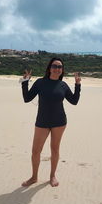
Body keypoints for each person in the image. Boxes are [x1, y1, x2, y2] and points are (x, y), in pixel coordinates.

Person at [20, 57, 81, 187]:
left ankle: (52, 176)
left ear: (62, 70)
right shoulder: (40, 82)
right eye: (54, 66)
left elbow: (74, 101)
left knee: (54, 149)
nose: (57, 69)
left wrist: (77, 84)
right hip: (42, 121)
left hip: (59, 121)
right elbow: (27, 98)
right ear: (49, 68)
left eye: (60, 67)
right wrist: (25, 81)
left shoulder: (63, 85)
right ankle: (34, 177)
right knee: (36, 151)